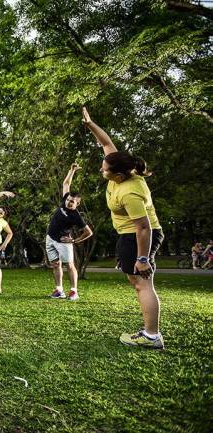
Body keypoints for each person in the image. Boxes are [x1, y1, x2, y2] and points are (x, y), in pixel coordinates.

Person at [83, 107, 165, 349]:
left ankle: (151, 336)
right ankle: (151, 332)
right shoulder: (120, 169)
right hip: (130, 234)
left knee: (142, 283)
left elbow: (144, 227)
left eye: (104, 169)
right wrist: (91, 124)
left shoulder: (130, 191)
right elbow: (106, 142)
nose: (101, 169)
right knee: (138, 282)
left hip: (138, 236)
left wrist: (142, 258)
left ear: (117, 175)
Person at [46, 164, 94, 301]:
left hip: (63, 242)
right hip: (50, 238)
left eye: (72, 202)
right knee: (55, 264)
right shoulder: (65, 199)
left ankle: (74, 291)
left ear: (77, 204)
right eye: (68, 200)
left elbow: (88, 232)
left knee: (70, 265)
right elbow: (66, 183)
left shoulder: (76, 216)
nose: (68, 202)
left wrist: (74, 241)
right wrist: (72, 170)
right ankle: (59, 290)